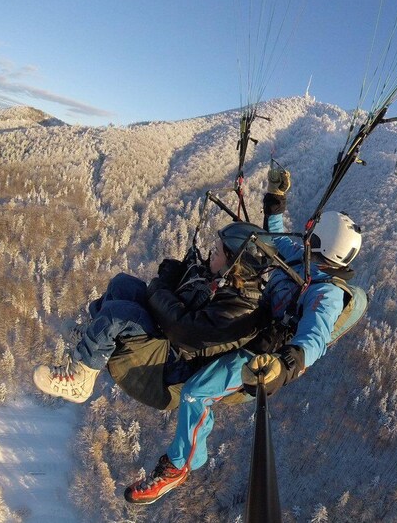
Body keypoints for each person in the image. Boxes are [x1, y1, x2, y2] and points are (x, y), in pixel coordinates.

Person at [123, 167, 363, 505]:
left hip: (261, 353)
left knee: (195, 393)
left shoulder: (326, 293)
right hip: (253, 323)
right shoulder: (305, 258)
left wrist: (286, 365)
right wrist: (275, 203)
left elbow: (314, 338)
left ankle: (179, 465)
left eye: (312, 234)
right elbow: (275, 242)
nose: (305, 237)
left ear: (323, 241)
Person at [32, 221, 271, 408]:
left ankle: (80, 380)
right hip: (169, 342)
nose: (210, 254)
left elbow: (181, 329)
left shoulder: (240, 311)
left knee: (121, 314)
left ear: (234, 264)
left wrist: (161, 284)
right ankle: (95, 339)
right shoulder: (226, 283)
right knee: (123, 284)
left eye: (216, 252)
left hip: (170, 369)